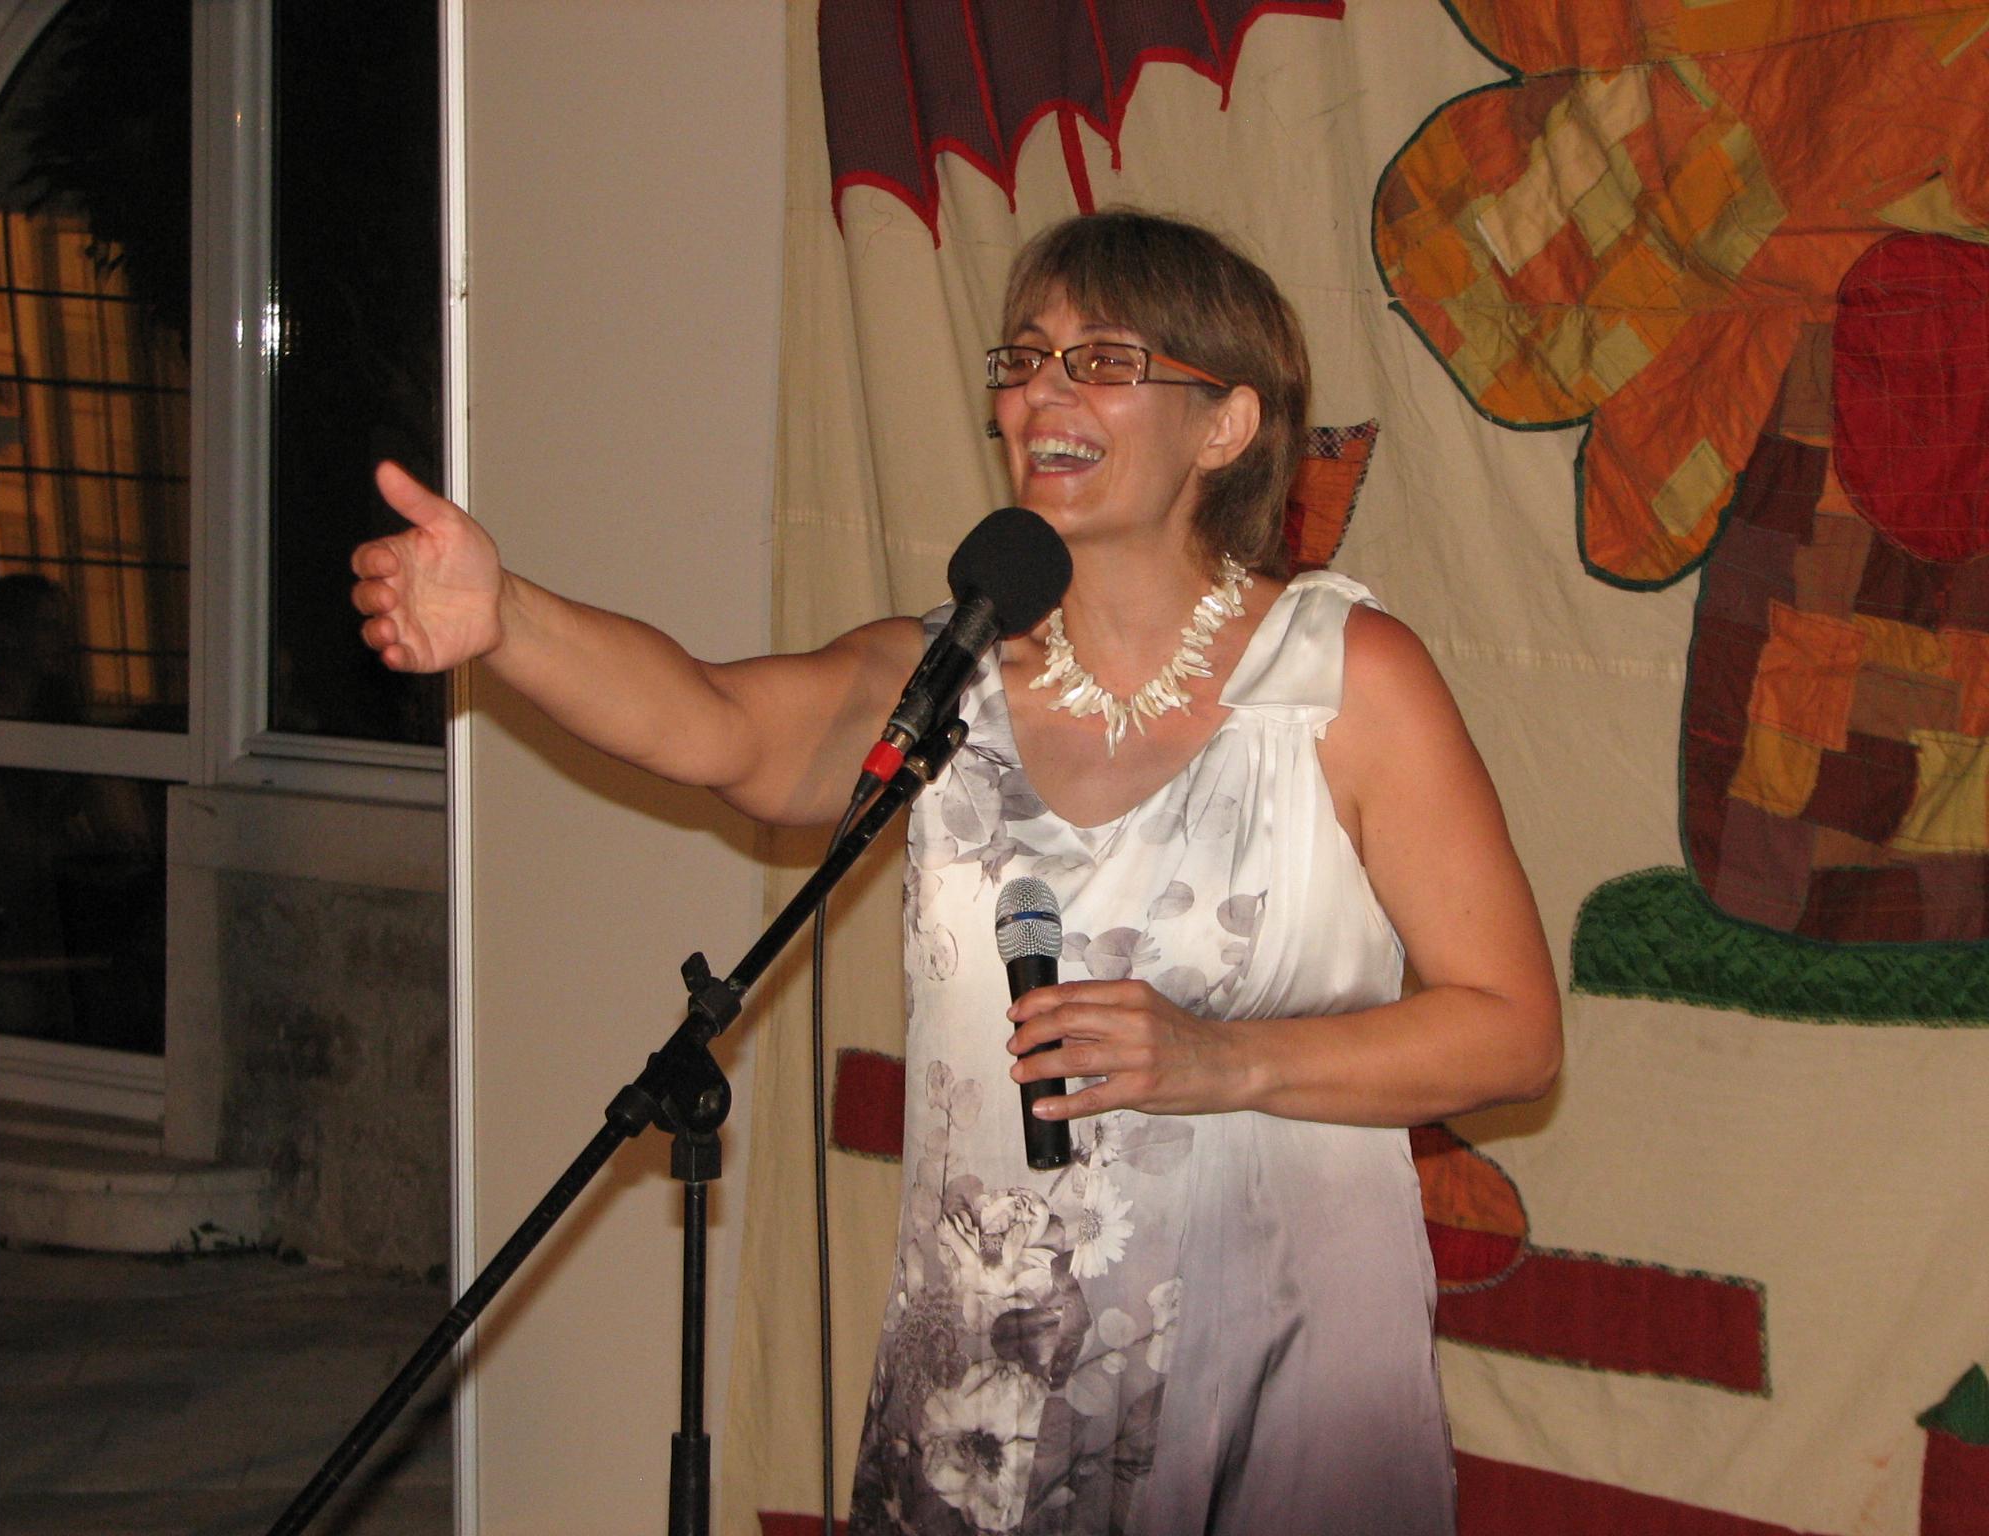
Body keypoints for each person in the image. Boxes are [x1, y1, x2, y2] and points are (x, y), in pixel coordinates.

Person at [351, 209, 1560, 1535]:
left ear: (1226, 424)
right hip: (987, 1394)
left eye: (1104, 360)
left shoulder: (1340, 678)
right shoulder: (946, 681)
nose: (1042, 391)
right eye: (1024, 358)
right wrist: (510, 618)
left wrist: (1225, 1061)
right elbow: (715, 723)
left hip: (1279, 1393)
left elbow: (1512, 1032)